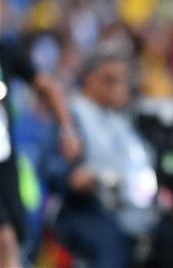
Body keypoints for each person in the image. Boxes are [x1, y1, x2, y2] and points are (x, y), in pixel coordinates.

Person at [41, 48, 159, 268]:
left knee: (169, 237)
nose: (117, 88)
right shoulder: (72, 115)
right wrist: (71, 178)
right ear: (90, 78)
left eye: (121, 81)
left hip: (132, 206)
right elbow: (51, 166)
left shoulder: (125, 118)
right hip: (86, 207)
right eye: (110, 80)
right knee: (111, 244)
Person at [0, 39, 81, 267]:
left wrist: (67, 130)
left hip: (5, 160)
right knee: (4, 239)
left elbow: (47, 86)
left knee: (15, 236)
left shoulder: (6, 49)